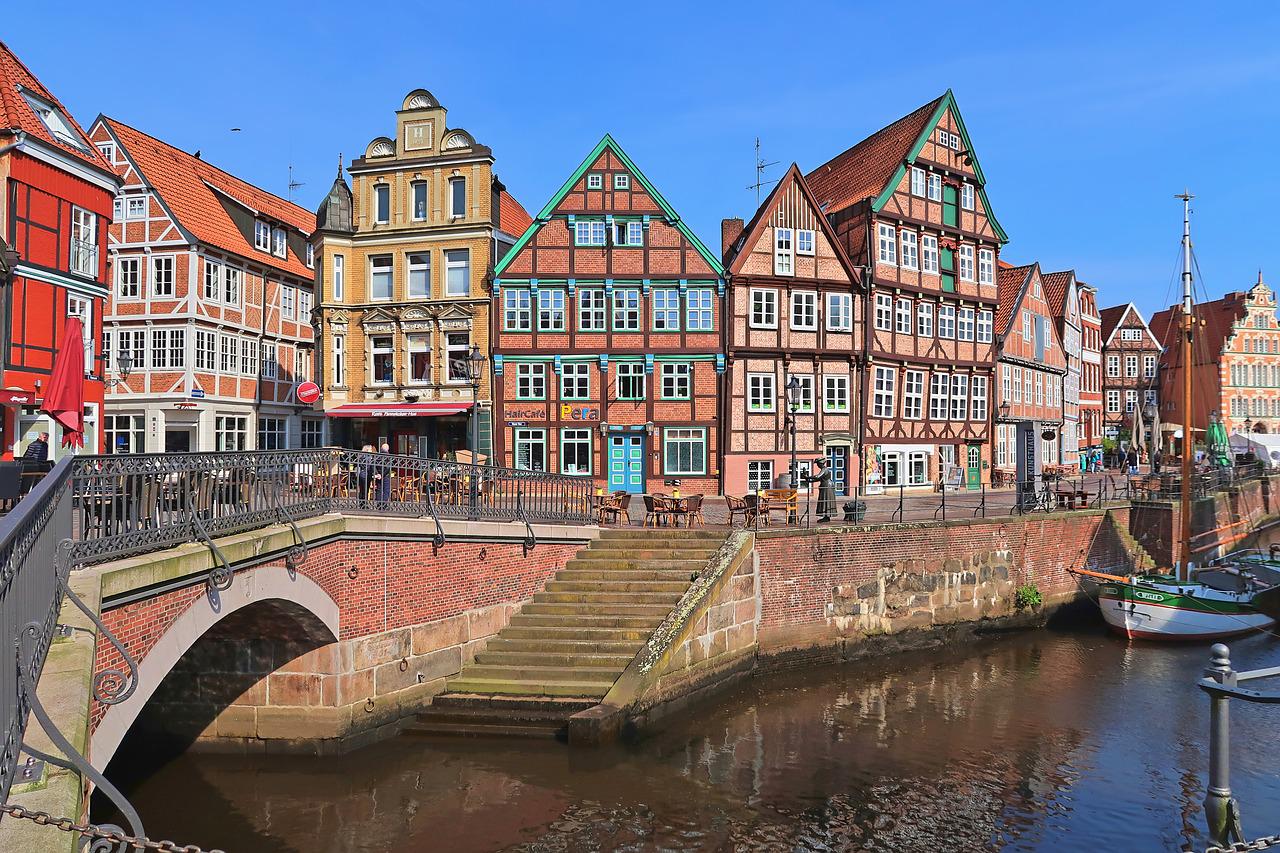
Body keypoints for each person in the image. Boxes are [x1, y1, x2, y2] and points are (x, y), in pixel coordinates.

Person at [804, 457, 837, 523]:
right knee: (825, 500)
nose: (817, 465)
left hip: (827, 486)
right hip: (826, 485)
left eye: (817, 464)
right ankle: (826, 516)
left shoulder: (824, 469)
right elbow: (818, 479)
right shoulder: (823, 469)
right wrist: (809, 480)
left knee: (826, 500)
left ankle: (826, 516)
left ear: (820, 463)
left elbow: (817, 476)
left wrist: (808, 477)